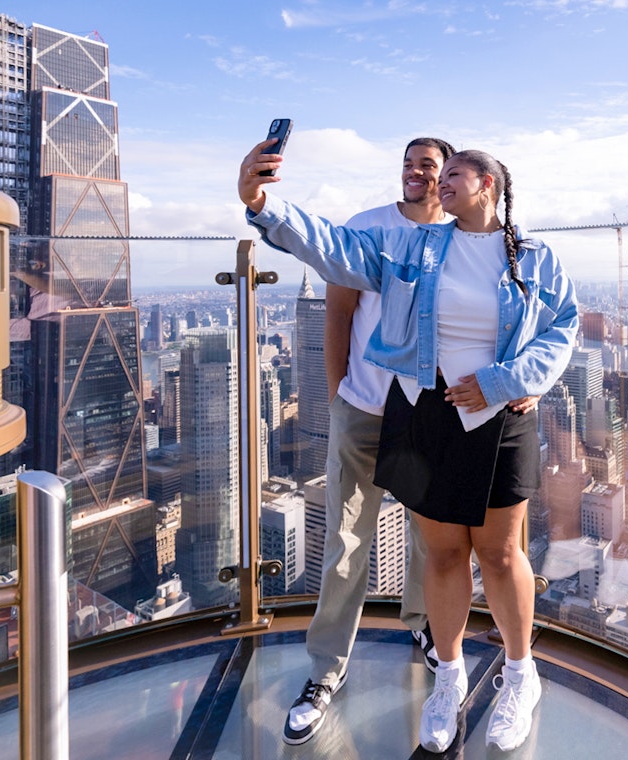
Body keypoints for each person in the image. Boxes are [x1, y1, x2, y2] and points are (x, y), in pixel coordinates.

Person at [239, 141, 578, 753]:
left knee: (500, 556)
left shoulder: (535, 256)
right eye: (436, 173)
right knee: (443, 556)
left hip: (500, 419)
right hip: (427, 415)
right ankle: (448, 680)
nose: (439, 183)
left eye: (453, 174)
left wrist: (510, 381)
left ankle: (519, 676)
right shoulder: (416, 247)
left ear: (489, 185)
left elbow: (563, 328)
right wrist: (265, 205)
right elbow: (338, 249)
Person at [281, 137, 456, 746]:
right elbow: (337, 313)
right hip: (363, 409)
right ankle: (325, 671)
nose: (415, 172)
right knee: (346, 540)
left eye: (427, 165)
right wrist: (338, 397)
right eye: (408, 163)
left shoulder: (459, 238)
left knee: (427, 533)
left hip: (425, 415)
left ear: (449, 176)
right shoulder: (367, 228)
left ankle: (424, 628)